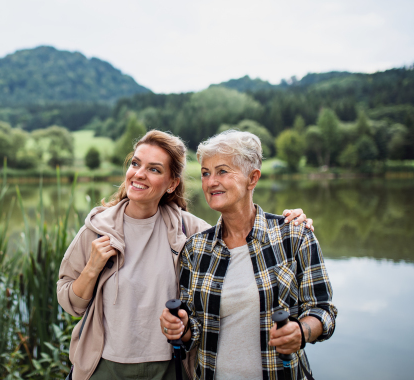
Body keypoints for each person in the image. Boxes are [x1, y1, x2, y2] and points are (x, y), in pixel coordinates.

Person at [57, 130, 313, 380]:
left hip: (170, 367)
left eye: (154, 169)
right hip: (105, 366)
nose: (139, 174)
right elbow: (71, 304)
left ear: (172, 183)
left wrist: (292, 224)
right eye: (136, 163)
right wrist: (92, 268)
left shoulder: (191, 232)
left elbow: (238, 234)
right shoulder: (97, 229)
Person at [159, 130, 337, 380]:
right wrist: (181, 327)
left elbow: (323, 309)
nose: (211, 182)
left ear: (252, 179)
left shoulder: (295, 236)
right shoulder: (195, 249)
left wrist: (302, 331)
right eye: (205, 173)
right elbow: (195, 329)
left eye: (222, 171)